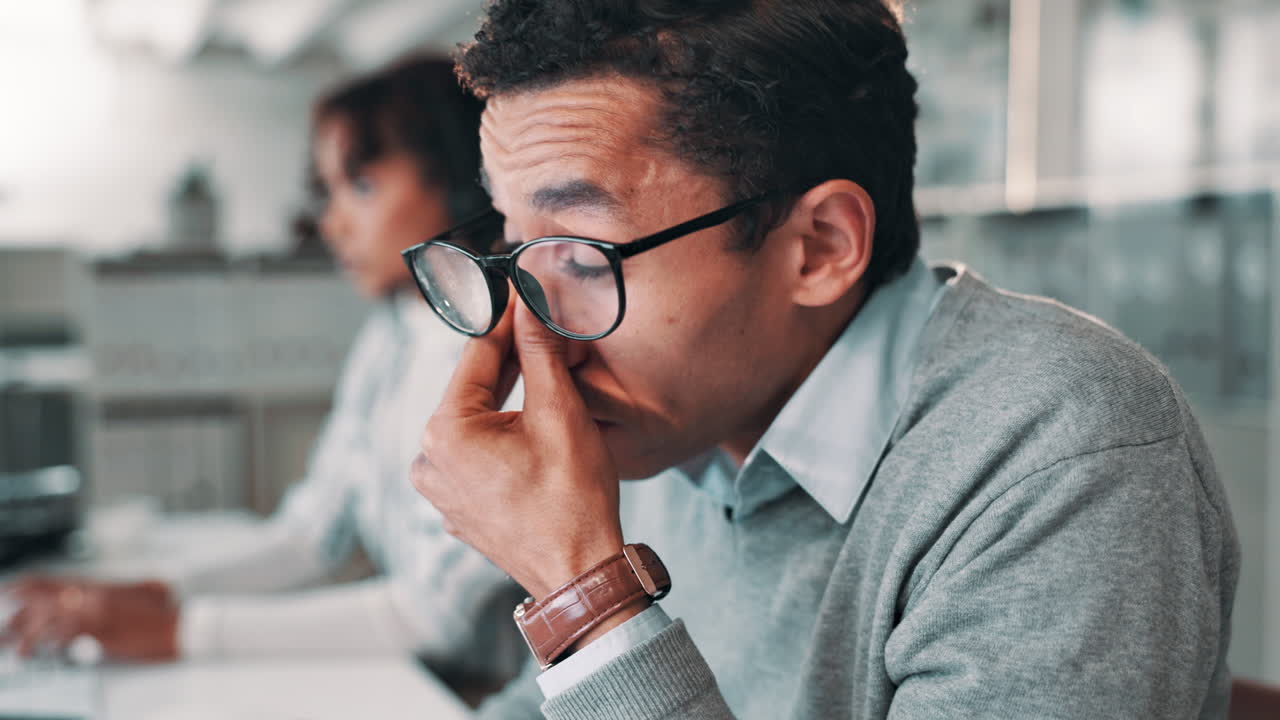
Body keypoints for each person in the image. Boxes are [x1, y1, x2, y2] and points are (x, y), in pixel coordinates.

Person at [402, 2, 1241, 719]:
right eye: (514, 248)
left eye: (581, 257)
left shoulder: (1065, 453)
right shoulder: (676, 421)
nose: (527, 331)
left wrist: (581, 594)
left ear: (819, 247)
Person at [2, 55, 524, 678]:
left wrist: (177, 629)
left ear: (462, 181)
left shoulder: (506, 349)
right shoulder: (391, 334)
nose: (332, 222)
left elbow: (434, 618)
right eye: (326, 189)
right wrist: (146, 595)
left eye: (360, 185)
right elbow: (310, 537)